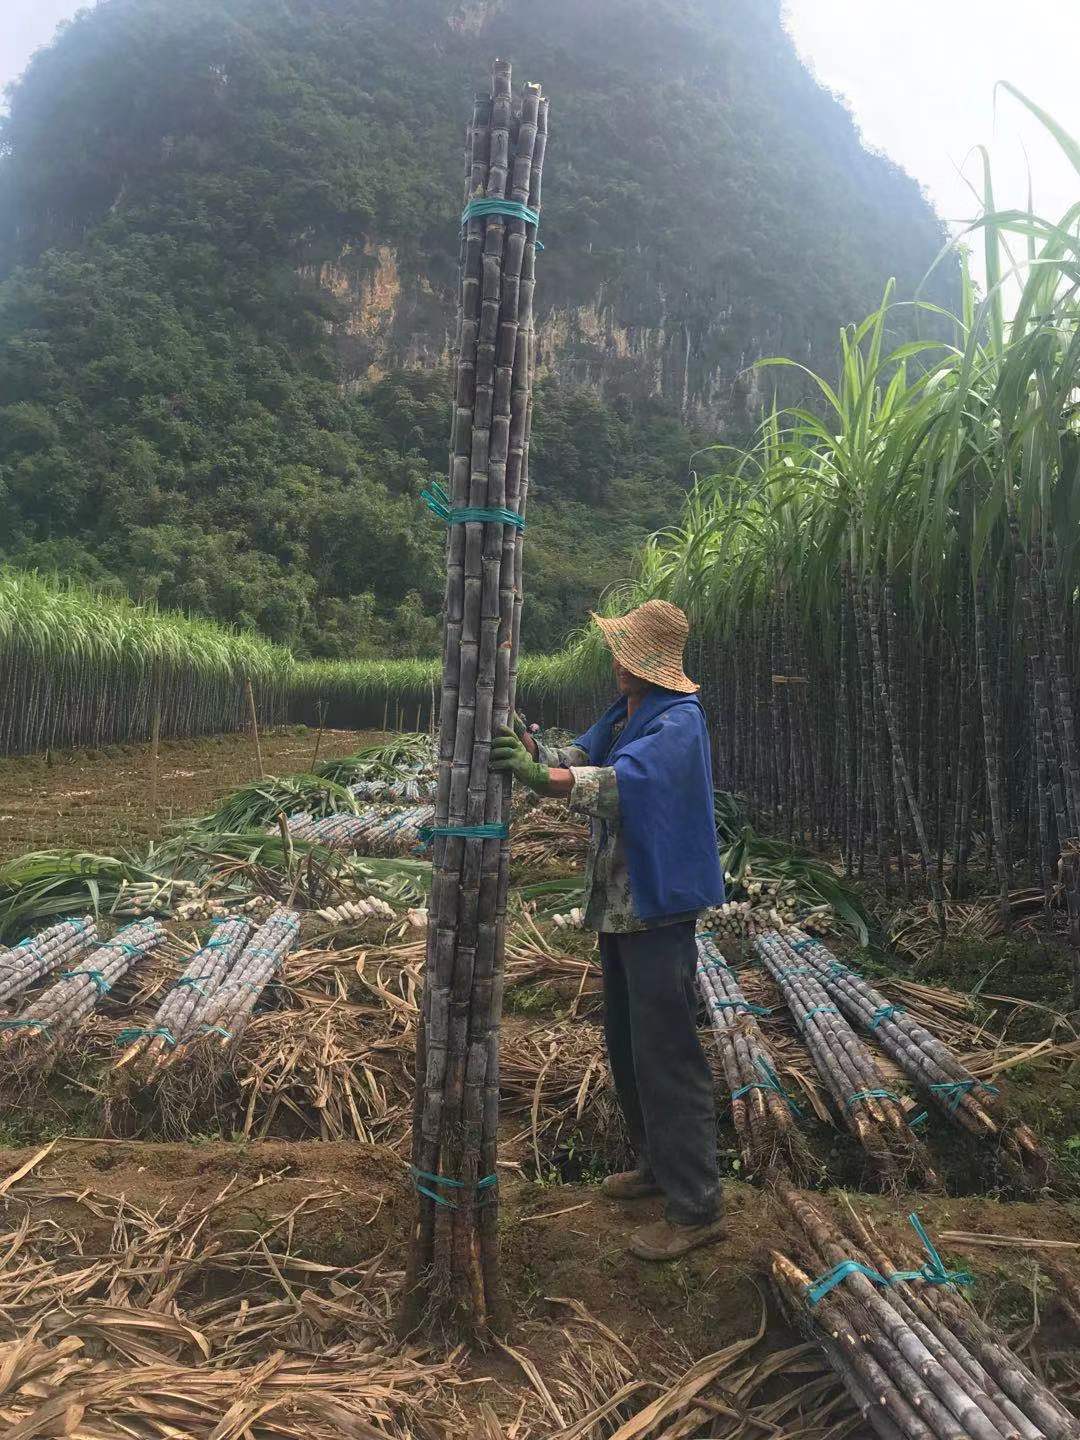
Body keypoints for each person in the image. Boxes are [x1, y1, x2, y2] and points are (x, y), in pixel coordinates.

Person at [491, 598, 726, 1260]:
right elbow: (580, 752)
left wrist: (545, 779)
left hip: (656, 907)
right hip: (621, 908)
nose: (615, 661)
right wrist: (534, 749)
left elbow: (626, 782)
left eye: (624, 652)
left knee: (667, 1052)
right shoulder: (628, 711)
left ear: (647, 662)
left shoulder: (679, 723)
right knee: (626, 1043)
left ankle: (698, 1205)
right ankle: (655, 1167)